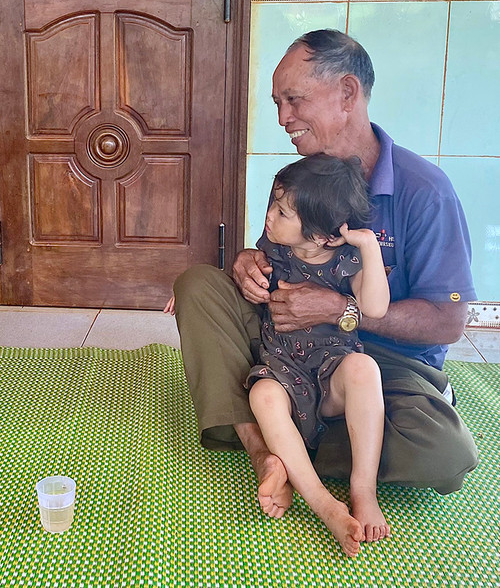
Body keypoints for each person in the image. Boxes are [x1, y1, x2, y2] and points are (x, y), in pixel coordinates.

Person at [168, 29, 478, 511]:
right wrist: (249, 264)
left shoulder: (426, 192)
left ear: (347, 94)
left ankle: (275, 434)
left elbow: (448, 321)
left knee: (444, 454)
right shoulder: (297, 178)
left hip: (379, 362)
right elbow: (277, 259)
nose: (282, 118)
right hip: (288, 346)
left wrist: (341, 310)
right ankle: (263, 449)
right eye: (277, 103)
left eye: (293, 99)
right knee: (198, 286)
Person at [246, 154, 390, 556]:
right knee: (262, 395)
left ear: (324, 236)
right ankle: (323, 503)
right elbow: (246, 272)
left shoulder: (349, 259)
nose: (269, 216)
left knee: (364, 368)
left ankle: (364, 489)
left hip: (332, 371)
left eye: (282, 211)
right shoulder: (274, 248)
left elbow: (375, 308)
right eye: (273, 204)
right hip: (282, 367)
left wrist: (370, 248)